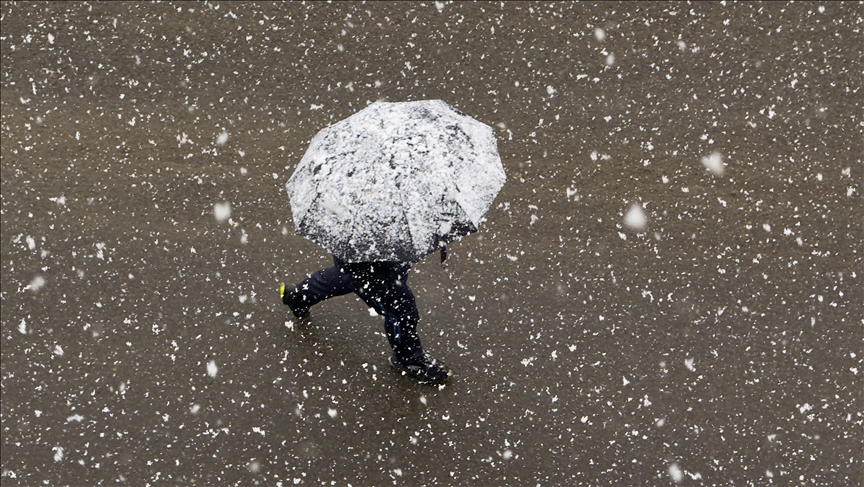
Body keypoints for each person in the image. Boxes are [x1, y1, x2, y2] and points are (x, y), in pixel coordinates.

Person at [280, 255, 451, 385]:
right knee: (401, 311)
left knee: (346, 273)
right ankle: (408, 357)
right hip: (377, 268)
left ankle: (298, 296)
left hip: (362, 255)